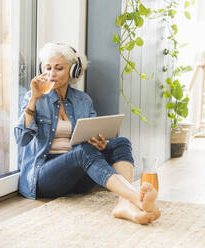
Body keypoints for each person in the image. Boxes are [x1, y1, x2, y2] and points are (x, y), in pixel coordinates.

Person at [14, 42, 160, 224]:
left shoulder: (83, 100)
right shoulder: (33, 97)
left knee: (120, 142)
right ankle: (136, 197)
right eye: (47, 68)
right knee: (82, 152)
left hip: (78, 174)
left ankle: (124, 203)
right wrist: (34, 101)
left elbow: (93, 138)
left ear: (73, 71)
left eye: (59, 68)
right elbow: (21, 139)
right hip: (44, 176)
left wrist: (102, 144)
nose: (51, 74)